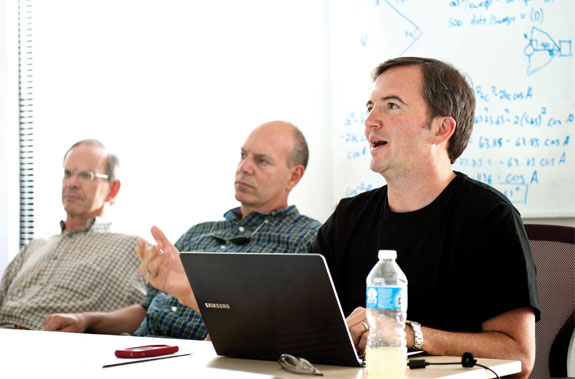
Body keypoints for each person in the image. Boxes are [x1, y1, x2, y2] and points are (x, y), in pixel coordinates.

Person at [311, 57, 540, 378]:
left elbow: (519, 357)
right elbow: (302, 319)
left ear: (441, 128)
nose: (370, 122)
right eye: (370, 107)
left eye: (391, 106)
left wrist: (409, 334)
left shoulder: (490, 216)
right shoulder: (348, 216)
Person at [44, 121, 321, 339]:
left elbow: (283, 328)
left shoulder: (306, 239)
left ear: (294, 176)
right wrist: (86, 320)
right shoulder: (198, 232)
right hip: (138, 349)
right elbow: (144, 311)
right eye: (242, 155)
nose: (243, 167)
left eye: (261, 161)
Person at [0, 139, 146, 330]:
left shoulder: (133, 249)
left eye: (86, 175)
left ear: (113, 189)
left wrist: (87, 320)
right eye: (68, 173)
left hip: (50, 343)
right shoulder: (35, 247)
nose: (72, 183)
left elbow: (152, 311)